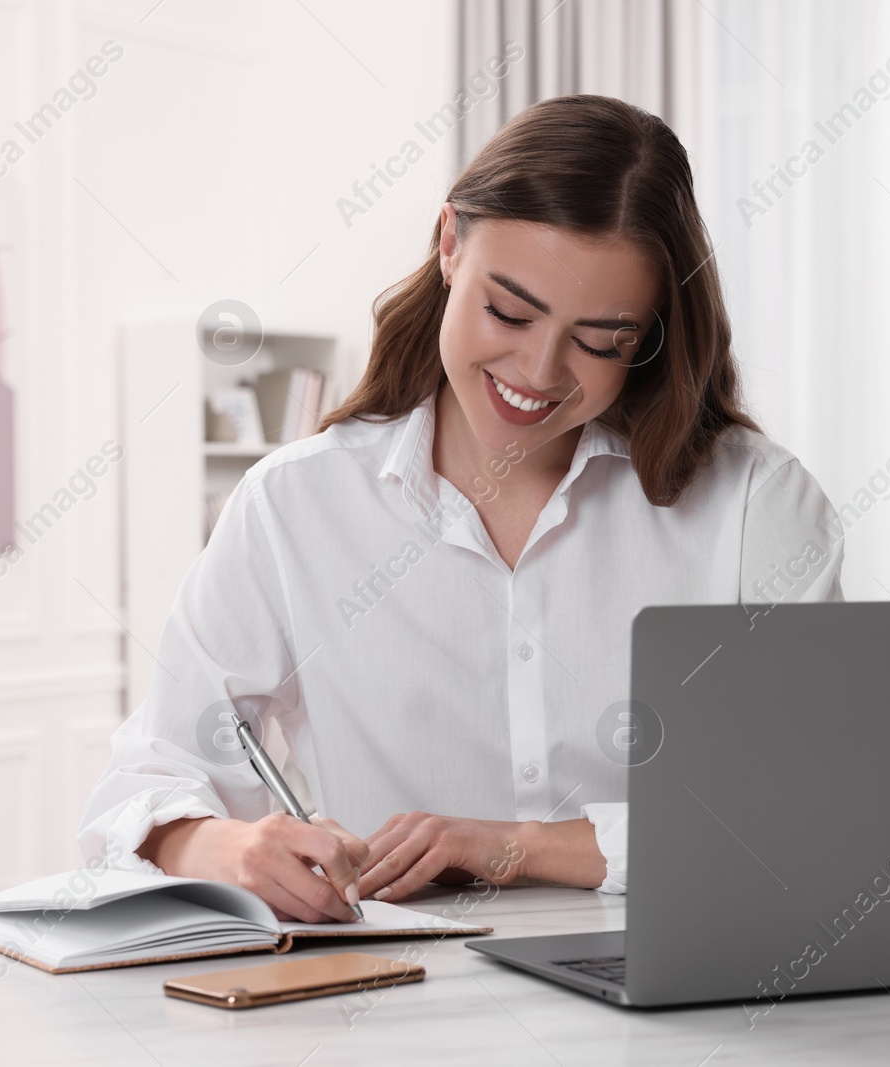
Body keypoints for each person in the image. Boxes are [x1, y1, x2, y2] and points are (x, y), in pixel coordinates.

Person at [76, 94, 843, 924]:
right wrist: (224, 845)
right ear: (449, 246)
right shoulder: (295, 505)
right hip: (394, 1000)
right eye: (508, 311)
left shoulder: (756, 504)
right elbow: (148, 777)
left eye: (601, 341)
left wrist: (514, 846)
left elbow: (817, 804)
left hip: (683, 998)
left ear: (651, 334)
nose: (540, 371)